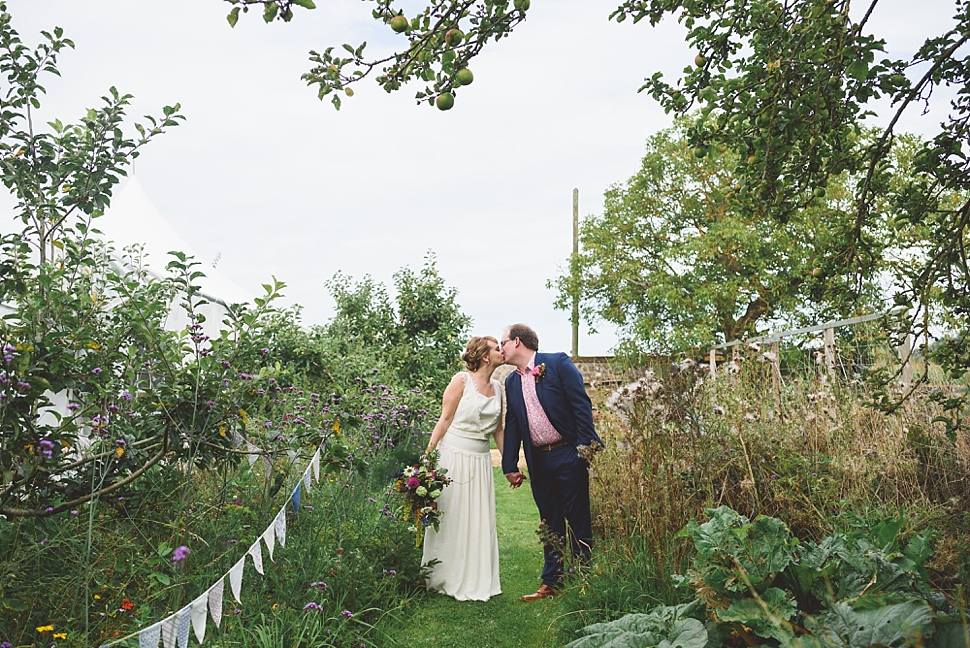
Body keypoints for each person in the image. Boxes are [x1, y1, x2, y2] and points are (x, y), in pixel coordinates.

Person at [500, 323, 602, 601]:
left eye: (503, 343)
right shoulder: (511, 382)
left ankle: (582, 578)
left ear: (517, 342)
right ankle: (552, 582)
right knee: (549, 521)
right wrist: (509, 464)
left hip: (568, 453)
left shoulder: (557, 364)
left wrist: (583, 448)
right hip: (538, 460)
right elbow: (513, 425)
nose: (501, 349)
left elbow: (581, 406)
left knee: (577, 519)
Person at [421, 336, 506, 601]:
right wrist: (428, 457)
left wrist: (509, 463)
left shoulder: (500, 387)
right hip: (453, 456)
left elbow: (499, 429)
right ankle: (444, 575)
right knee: (452, 515)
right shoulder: (461, 381)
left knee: (478, 517)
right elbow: (445, 418)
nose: (502, 351)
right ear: (484, 356)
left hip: (480, 460)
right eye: (497, 348)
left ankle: (477, 577)